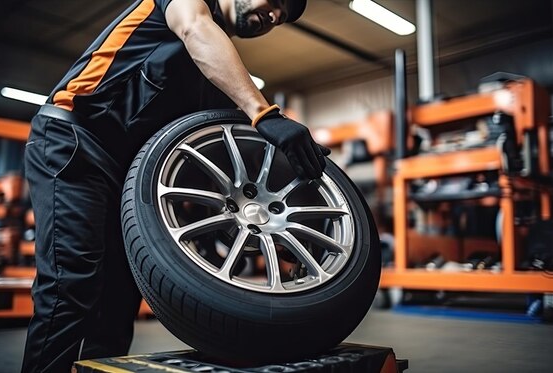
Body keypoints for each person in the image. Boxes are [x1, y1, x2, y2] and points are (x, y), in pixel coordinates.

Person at [21, 0, 328, 372]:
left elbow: (206, 164)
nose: (274, 16)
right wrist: (263, 112)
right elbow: (195, 28)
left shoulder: (212, 80)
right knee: (71, 283)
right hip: (75, 140)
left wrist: (260, 230)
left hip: (126, 172)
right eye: (276, 2)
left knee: (119, 299)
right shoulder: (193, 10)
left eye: (281, 18)